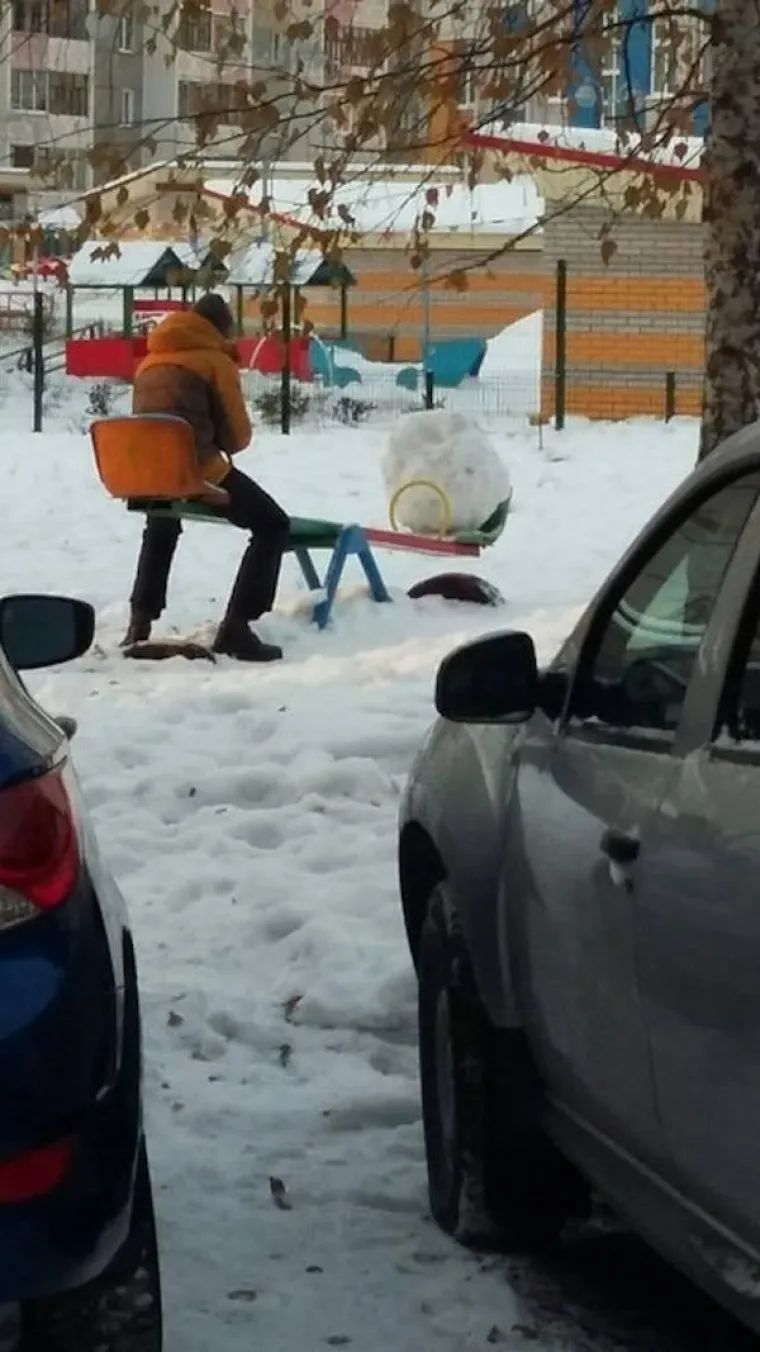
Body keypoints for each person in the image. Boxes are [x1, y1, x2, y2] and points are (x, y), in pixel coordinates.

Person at [122, 293, 289, 662]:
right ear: (221, 328)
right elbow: (238, 438)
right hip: (200, 472)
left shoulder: (149, 361)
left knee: (162, 519)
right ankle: (238, 628)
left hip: (152, 475)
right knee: (273, 525)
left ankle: (139, 622)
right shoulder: (215, 361)